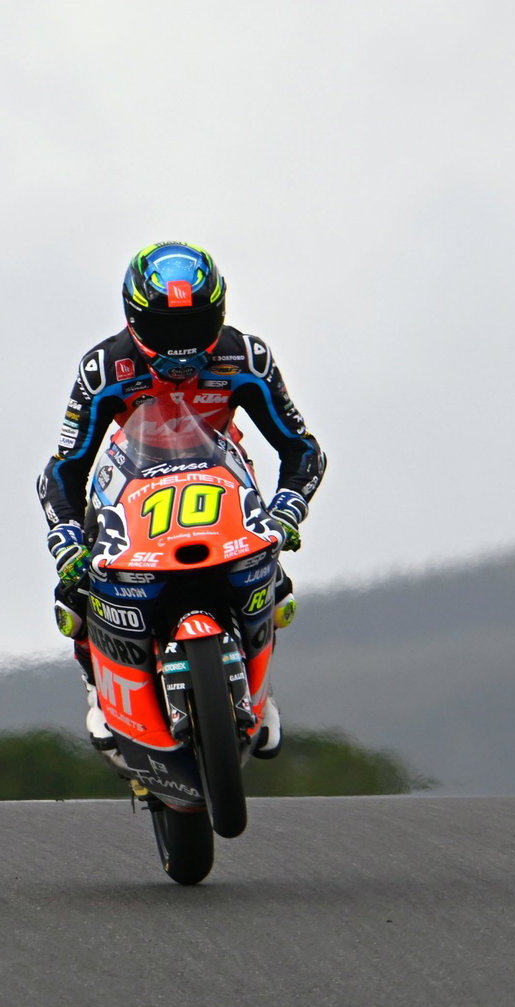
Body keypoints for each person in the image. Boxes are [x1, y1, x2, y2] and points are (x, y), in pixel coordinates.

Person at [36, 241, 325, 767]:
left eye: (194, 328)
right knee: (76, 586)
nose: (182, 348)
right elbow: (63, 467)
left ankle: (261, 689)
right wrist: (66, 534)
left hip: (223, 484)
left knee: (269, 572)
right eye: (168, 332)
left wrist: (286, 509)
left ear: (219, 314)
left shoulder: (247, 358)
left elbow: (302, 450)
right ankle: (98, 685)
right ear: (134, 319)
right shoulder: (104, 369)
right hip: (129, 489)